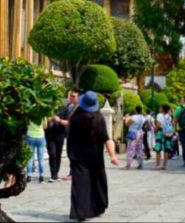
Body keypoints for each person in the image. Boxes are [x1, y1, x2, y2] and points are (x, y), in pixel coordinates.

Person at [67, 91, 119, 221]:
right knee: (97, 181)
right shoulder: (99, 118)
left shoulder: (75, 117)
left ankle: (81, 212)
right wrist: (113, 155)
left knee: (80, 184)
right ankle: (98, 207)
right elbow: (107, 139)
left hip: (77, 154)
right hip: (95, 155)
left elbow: (69, 133)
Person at [46, 90, 77, 183]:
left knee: (58, 154)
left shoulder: (64, 109)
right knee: (52, 153)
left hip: (60, 134)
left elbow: (67, 122)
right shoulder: (48, 109)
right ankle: (53, 174)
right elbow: (44, 120)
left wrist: (59, 120)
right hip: (49, 134)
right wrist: (50, 118)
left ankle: (56, 174)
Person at [124, 105, 146, 169]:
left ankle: (128, 164)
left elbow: (127, 124)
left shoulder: (133, 117)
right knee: (139, 149)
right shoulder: (143, 117)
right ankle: (140, 164)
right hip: (140, 132)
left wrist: (126, 117)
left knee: (131, 148)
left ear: (135, 110)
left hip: (133, 133)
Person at [153, 104, 174, 170]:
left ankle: (157, 165)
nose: (159, 109)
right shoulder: (169, 116)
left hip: (160, 132)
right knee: (166, 149)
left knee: (158, 149)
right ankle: (164, 165)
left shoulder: (159, 115)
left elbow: (158, 125)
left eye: (160, 107)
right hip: (167, 133)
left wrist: (155, 130)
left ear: (162, 109)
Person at [26, 118, 46, 183]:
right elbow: (45, 126)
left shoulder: (29, 114)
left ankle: (29, 176)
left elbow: (26, 124)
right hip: (40, 136)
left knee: (30, 158)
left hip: (30, 136)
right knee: (41, 158)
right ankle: (41, 176)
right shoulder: (43, 114)